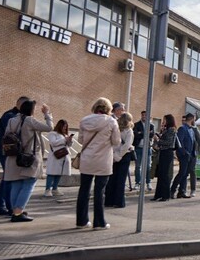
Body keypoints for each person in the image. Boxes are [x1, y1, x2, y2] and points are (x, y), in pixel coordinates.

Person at [2, 100, 53, 222]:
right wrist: (47, 114)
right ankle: (18, 212)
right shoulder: (30, 120)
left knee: (16, 184)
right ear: (30, 110)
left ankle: (15, 211)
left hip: (13, 156)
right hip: (28, 157)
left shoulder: (12, 120)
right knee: (29, 183)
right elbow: (49, 127)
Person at [76, 97, 121, 230]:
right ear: (108, 109)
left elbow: (80, 139)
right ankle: (99, 222)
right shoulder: (111, 122)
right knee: (99, 191)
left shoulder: (84, 120)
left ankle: (81, 221)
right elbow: (116, 141)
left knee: (84, 190)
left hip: (87, 159)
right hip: (103, 159)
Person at [0, 96, 28, 216]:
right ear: (20, 105)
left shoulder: (14, 115)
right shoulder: (10, 116)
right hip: (6, 152)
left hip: (8, 151)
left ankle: (2, 206)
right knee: (9, 179)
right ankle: (7, 207)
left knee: (8, 179)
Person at [105, 113, 135, 208]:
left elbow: (112, 142)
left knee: (112, 179)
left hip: (113, 155)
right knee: (121, 180)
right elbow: (127, 145)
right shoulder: (129, 131)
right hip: (124, 156)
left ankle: (109, 200)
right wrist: (119, 155)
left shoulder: (116, 129)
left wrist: (114, 155)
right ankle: (119, 201)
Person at [43, 119, 73, 198]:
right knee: (52, 173)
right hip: (55, 156)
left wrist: (69, 140)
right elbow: (53, 143)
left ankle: (55, 189)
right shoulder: (53, 133)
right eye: (63, 126)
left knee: (59, 173)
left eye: (66, 127)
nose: (65, 128)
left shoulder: (65, 135)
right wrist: (64, 140)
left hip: (64, 156)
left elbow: (69, 146)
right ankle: (47, 189)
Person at [151, 114, 177, 202]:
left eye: (165, 120)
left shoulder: (171, 130)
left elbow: (168, 142)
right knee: (160, 174)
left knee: (165, 174)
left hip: (167, 152)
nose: (163, 121)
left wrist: (158, 140)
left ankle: (165, 195)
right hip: (162, 152)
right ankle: (158, 194)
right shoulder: (166, 129)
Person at [173, 114, 196, 198]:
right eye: (194, 119)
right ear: (192, 119)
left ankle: (182, 191)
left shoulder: (191, 129)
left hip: (191, 155)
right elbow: (180, 143)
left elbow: (193, 142)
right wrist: (184, 153)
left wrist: (193, 154)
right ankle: (172, 190)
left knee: (185, 174)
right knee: (182, 173)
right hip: (184, 155)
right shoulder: (182, 129)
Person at [132, 110, 154, 191]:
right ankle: (137, 182)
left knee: (148, 166)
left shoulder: (151, 125)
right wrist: (145, 133)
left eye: (145, 115)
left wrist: (141, 133)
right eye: (143, 115)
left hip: (147, 148)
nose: (144, 117)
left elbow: (152, 134)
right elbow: (136, 135)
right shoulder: (136, 125)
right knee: (138, 166)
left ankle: (148, 182)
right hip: (139, 148)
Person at [189, 114, 200, 196]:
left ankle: (193, 189)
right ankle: (182, 189)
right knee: (183, 171)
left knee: (192, 170)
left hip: (193, 153)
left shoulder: (195, 129)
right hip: (186, 153)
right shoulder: (184, 128)